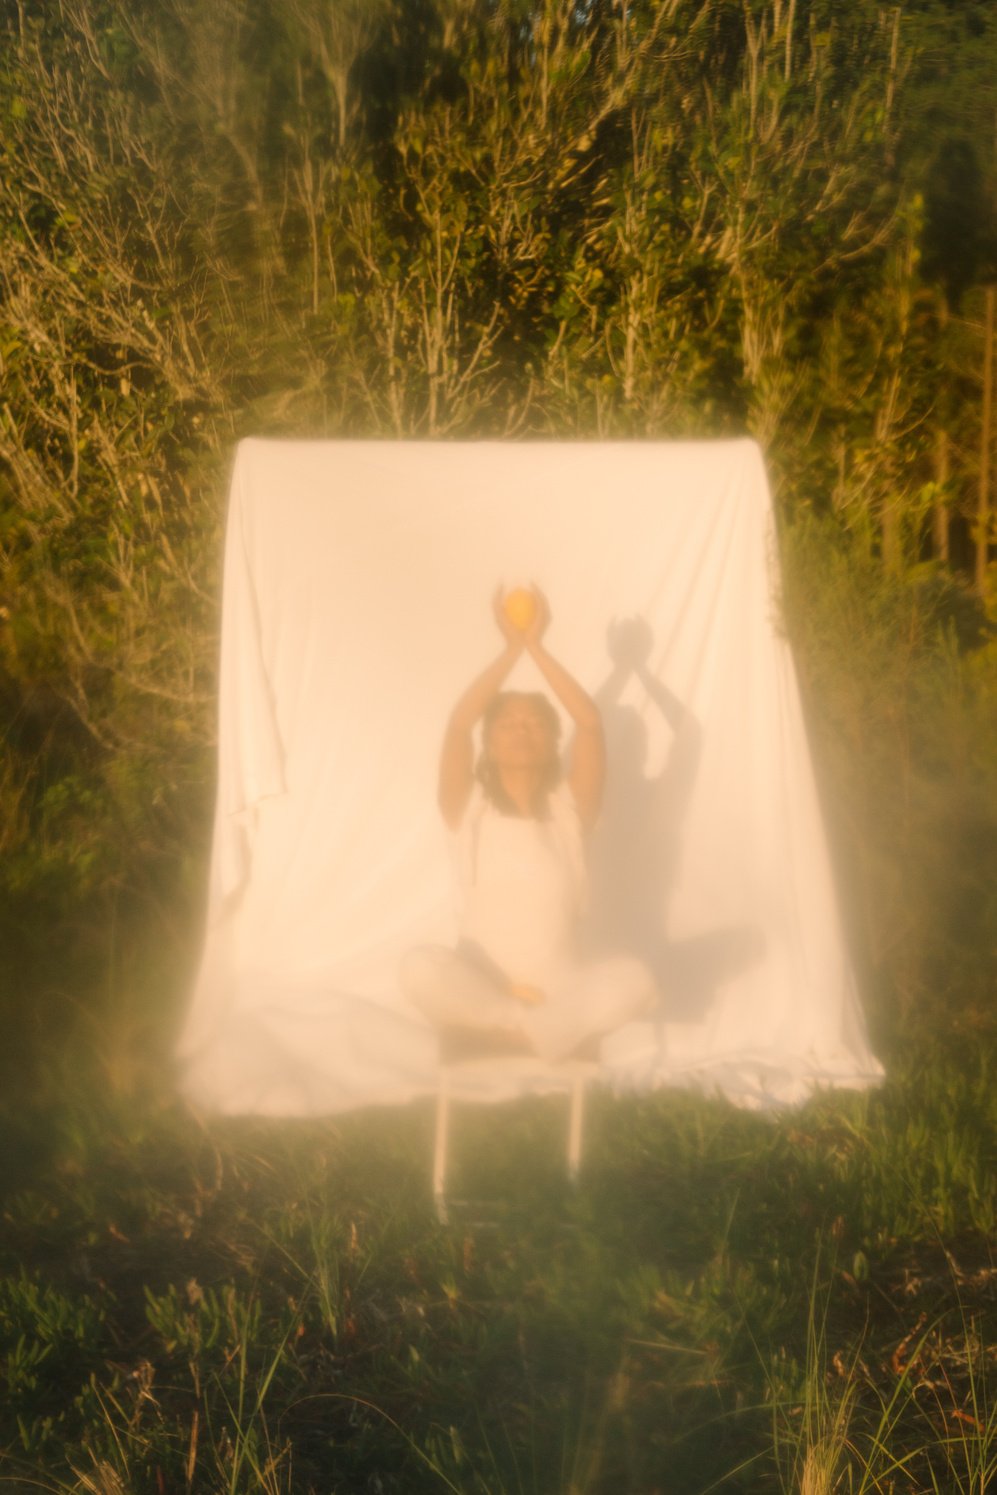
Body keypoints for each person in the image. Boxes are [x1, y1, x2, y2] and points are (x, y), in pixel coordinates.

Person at [400, 587, 657, 1061]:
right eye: (507, 723)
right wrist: (510, 649)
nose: (521, 728)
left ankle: (536, 1026)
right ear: (490, 745)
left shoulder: (570, 810)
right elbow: (459, 725)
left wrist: (536, 646)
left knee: (636, 979)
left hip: (561, 990)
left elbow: (590, 724)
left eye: (535, 723)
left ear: (551, 742)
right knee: (418, 967)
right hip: (481, 986)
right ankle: (522, 1026)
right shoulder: (467, 807)